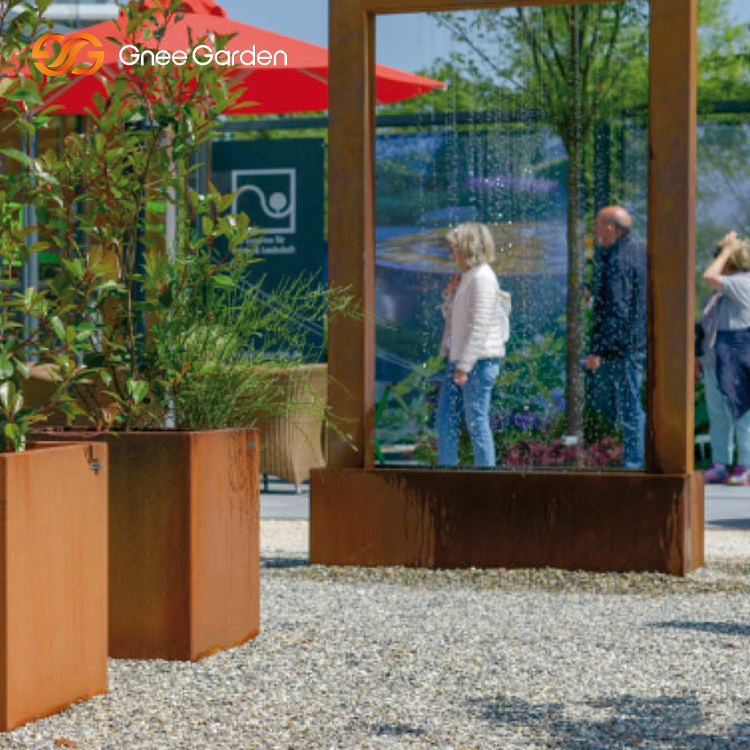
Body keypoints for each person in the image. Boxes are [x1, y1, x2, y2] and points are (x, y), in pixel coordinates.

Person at [436, 222, 511, 467]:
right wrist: (450, 294)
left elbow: (480, 325)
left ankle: (485, 476)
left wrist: (464, 366)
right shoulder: (469, 277)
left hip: (477, 362)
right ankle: (447, 469)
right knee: (446, 418)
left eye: (454, 248)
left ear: (468, 248)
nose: (451, 253)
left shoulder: (483, 278)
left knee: (476, 422)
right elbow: (457, 323)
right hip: (462, 361)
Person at [584, 205, 647, 469]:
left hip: (624, 348)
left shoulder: (619, 260)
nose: (593, 229)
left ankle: (633, 465)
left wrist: (597, 350)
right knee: (630, 407)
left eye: (597, 224)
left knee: (630, 409)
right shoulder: (637, 253)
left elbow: (617, 311)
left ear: (610, 228)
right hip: (634, 344)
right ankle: (634, 461)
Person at [699, 231, 750, 485]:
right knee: (718, 414)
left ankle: (746, 465)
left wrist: (728, 249)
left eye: (719, 256)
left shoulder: (742, 282)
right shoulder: (719, 291)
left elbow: (708, 276)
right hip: (715, 359)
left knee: (742, 413)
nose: (715, 260)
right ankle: (720, 462)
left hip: (737, 357)